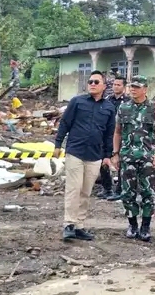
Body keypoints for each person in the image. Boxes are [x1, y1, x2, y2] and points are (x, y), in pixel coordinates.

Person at [53, 70, 116, 241]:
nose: (92, 84)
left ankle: (79, 226)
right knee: (73, 189)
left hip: (95, 155)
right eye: (90, 82)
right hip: (75, 152)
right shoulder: (77, 102)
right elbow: (65, 123)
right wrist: (58, 144)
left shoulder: (109, 108)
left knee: (86, 191)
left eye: (96, 82)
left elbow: (109, 134)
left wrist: (107, 155)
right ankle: (69, 224)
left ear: (104, 86)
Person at [112, 76, 155, 242]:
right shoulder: (124, 107)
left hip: (147, 157)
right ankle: (132, 224)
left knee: (147, 193)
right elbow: (118, 132)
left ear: (145, 89)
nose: (133, 89)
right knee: (127, 192)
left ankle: (146, 227)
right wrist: (115, 153)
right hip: (127, 157)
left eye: (137, 87)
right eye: (131, 86)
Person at [99, 75, 130, 201]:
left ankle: (120, 190)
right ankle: (107, 188)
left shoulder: (128, 102)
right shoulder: (107, 100)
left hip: (121, 135)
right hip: (107, 135)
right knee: (104, 160)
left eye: (118, 85)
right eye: (114, 84)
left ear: (124, 87)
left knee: (121, 163)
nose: (116, 87)